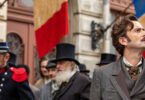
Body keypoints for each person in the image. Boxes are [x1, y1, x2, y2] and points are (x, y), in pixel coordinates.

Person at [90, 14, 145, 100]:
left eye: (144, 30)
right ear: (123, 40)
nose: (144, 33)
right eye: (138, 31)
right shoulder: (101, 74)